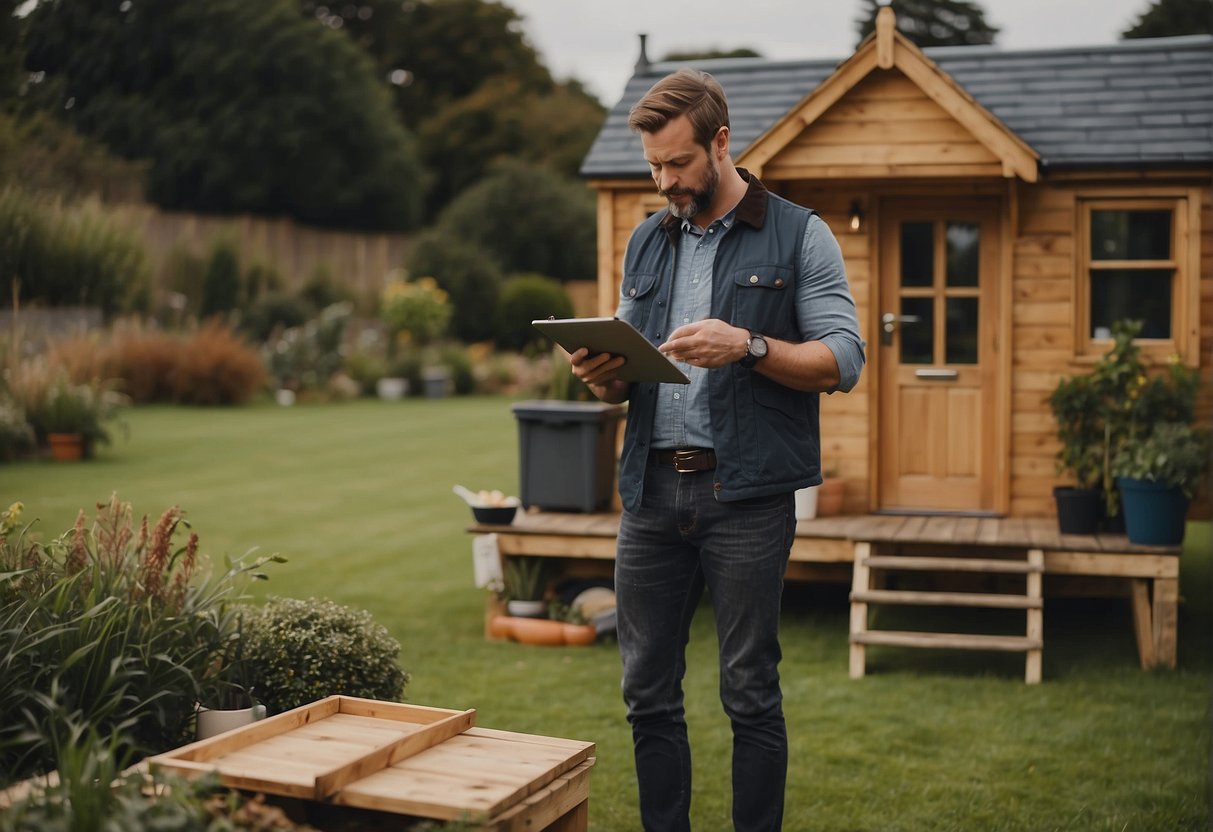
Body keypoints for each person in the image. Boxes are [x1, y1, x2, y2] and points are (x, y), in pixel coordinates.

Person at [566, 68, 865, 831]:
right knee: (646, 692)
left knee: (749, 690)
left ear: (721, 143)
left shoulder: (800, 234)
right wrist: (599, 376)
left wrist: (751, 344)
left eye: (678, 163)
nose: (665, 180)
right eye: (654, 166)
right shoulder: (647, 238)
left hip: (747, 499)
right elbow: (627, 377)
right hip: (650, 494)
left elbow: (843, 360)